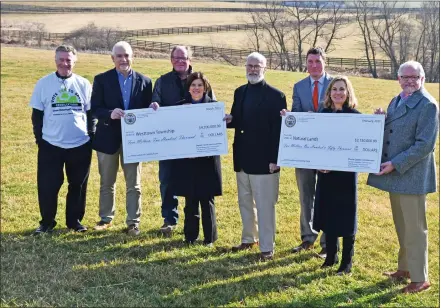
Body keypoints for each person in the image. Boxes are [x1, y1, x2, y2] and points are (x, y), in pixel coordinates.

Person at [367, 61, 438, 293]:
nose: (409, 80)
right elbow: (395, 128)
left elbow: (425, 145)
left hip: (412, 174)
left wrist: (395, 164)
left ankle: (420, 278)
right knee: (402, 225)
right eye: (405, 76)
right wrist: (381, 119)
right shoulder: (397, 100)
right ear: (398, 78)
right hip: (396, 175)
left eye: (414, 77)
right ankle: (405, 268)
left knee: (415, 229)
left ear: (422, 79)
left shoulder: (428, 105)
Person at [224, 52, 287, 261]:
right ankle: (248, 238)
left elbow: (279, 132)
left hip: (265, 161)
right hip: (242, 158)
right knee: (245, 202)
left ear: (264, 68)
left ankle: (267, 247)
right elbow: (237, 120)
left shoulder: (276, 96)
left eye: (257, 66)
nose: (252, 69)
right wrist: (227, 120)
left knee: (265, 205)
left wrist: (276, 159)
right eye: (249, 65)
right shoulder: (239, 91)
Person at [30, 45, 94, 234]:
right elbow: (37, 115)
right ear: (55, 59)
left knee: (78, 185)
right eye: (61, 59)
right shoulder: (43, 83)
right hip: (51, 145)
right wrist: (40, 140)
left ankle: (74, 221)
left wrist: (91, 135)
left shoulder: (83, 84)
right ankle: (47, 222)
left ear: (75, 61)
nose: (64, 63)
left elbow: (91, 114)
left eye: (68, 60)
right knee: (48, 185)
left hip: (80, 144)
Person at [151, 46, 215, 236]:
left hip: (195, 145)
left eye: (184, 58)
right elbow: (155, 104)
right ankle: (169, 219)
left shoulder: (199, 79)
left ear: (190, 59)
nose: (180, 61)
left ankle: (195, 226)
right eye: (176, 58)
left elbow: (212, 107)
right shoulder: (162, 81)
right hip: (169, 141)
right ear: (171, 60)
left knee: (193, 182)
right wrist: (154, 106)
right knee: (167, 179)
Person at [91, 41, 152, 236]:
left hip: (134, 140)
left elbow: (147, 109)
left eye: (126, 55)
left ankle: (133, 222)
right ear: (112, 58)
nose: (123, 59)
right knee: (107, 182)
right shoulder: (101, 80)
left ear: (132, 57)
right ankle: (105, 219)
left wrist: (153, 108)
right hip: (108, 138)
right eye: (119, 56)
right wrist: (109, 113)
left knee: (134, 184)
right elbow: (95, 109)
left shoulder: (145, 81)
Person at [310, 76, 360, 275]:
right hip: (326, 174)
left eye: (342, 89)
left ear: (348, 93)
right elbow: (315, 143)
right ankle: (331, 257)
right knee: (328, 214)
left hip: (346, 177)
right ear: (329, 93)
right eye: (334, 89)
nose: (338, 93)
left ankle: (346, 262)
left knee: (346, 217)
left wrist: (378, 119)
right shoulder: (322, 114)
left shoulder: (356, 116)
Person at [291, 47, 333, 258]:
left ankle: (328, 243)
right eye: (310, 61)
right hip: (305, 149)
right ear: (305, 63)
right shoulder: (298, 87)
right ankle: (308, 237)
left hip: (328, 149)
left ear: (324, 62)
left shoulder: (336, 83)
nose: (314, 65)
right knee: (305, 194)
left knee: (326, 195)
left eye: (317, 61)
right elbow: (296, 114)